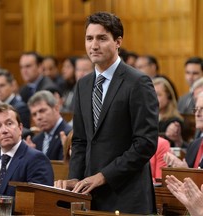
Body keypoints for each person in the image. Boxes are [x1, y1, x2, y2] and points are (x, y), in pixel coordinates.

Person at [54, 12, 158, 214]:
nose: (94, 45)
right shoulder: (83, 84)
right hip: (91, 195)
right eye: (89, 38)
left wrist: (104, 176)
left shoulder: (138, 82)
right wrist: (75, 178)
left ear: (118, 41)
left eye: (102, 38)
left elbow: (145, 143)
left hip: (128, 196)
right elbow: (80, 140)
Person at [0, 103, 54, 201]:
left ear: (20, 128)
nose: (4, 130)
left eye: (9, 123)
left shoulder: (36, 159)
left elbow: (39, 201)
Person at [26, 90, 72, 160]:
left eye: (42, 111)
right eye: (34, 114)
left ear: (56, 108)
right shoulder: (36, 140)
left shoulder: (69, 134)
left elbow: (64, 168)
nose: (38, 117)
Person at [164, 92, 203, 168]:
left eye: (202, 109)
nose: (197, 114)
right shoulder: (194, 145)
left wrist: (185, 169)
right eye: (196, 109)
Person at [153, 77, 184, 147]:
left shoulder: (175, 122)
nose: (154, 98)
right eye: (152, 94)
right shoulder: (147, 118)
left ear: (169, 96)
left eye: (158, 94)